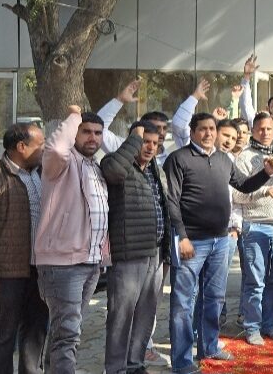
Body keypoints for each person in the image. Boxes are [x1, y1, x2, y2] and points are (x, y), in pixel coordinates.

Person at [164, 112, 273, 373]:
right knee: (183, 303)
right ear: (192, 132)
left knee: (214, 298)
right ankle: (182, 361)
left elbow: (244, 185)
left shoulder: (223, 159)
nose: (208, 133)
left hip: (220, 240)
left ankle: (209, 347)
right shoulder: (178, 159)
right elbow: (172, 201)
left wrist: (266, 173)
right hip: (191, 242)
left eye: (212, 129)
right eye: (202, 129)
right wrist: (181, 236)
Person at [35, 107, 109, 373]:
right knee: (67, 334)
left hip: (90, 261)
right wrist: (74, 116)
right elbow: (56, 149)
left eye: (98, 133)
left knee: (66, 331)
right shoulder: (61, 164)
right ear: (74, 134)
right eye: (86, 132)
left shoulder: (95, 166)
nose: (92, 138)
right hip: (63, 264)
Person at [0, 122, 48, 374]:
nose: (45, 149)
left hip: (40, 270)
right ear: (21, 146)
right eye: (40, 144)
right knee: (4, 335)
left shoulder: (42, 174)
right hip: (7, 274)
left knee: (36, 331)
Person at [100, 121, 170, 374]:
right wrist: (133, 139)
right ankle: (116, 368)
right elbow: (114, 172)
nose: (150, 147)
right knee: (121, 315)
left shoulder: (154, 169)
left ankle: (135, 363)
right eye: (145, 142)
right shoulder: (115, 163)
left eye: (155, 143)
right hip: (128, 254)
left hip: (156, 252)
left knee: (146, 313)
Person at [233, 113, 273, 345]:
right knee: (255, 282)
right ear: (253, 131)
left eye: (269, 129)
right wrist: (263, 191)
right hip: (255, 225)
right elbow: (238, 195)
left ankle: (270, 324)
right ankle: (252, 327)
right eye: (260, 129)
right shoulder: (244, 157)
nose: (265, 133)